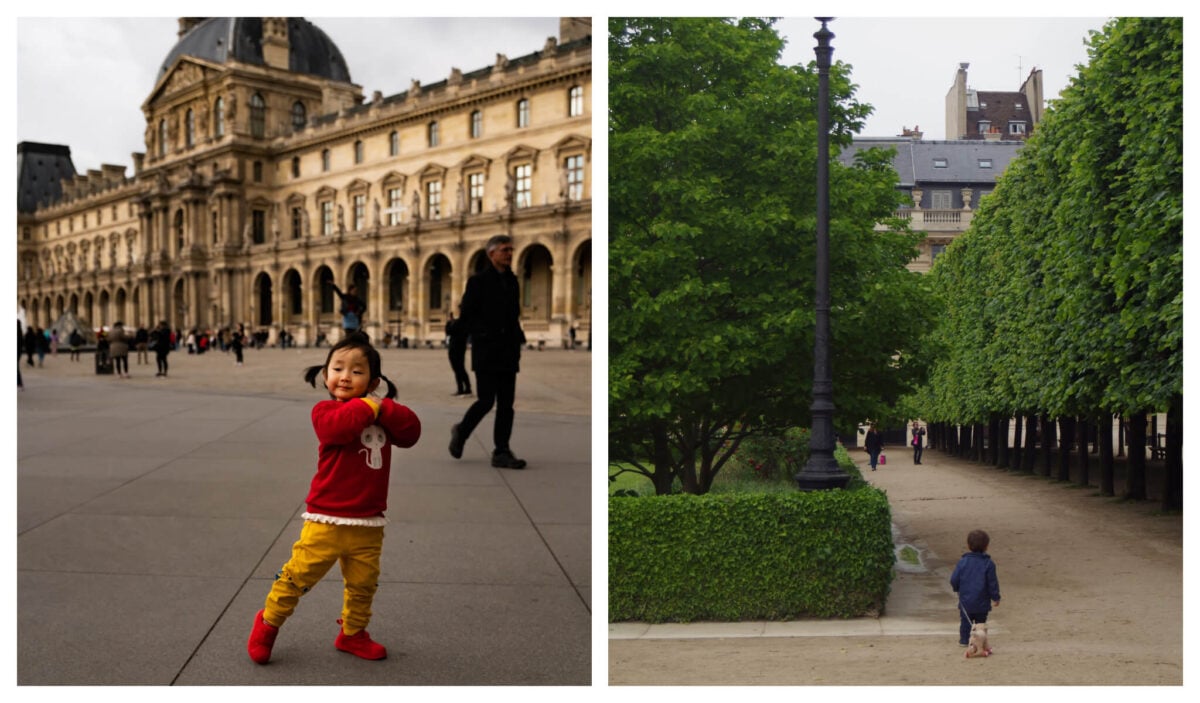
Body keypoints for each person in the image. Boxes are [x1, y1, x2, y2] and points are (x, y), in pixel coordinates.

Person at [246, 332, 421, 665]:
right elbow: (335, 430)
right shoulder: (325, 410)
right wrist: (368, 405)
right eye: (338, 368)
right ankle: (268, 623)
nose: (346, 376)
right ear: (325, 376)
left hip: (369, 521)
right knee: (297, 577)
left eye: (357, 371)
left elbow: (411, 432)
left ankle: (352, 634)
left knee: (363, 584)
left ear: (374, 381)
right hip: (326, 519)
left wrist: (381, 406)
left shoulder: (380, 412)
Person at [448, 235, 527, 469]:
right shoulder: (478, 282)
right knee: (485, 400)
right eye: (505, 250)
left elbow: (514, 316)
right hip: (487, 350)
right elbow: (468, 315)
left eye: (511, 250)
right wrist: (467, 334)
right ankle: (461, 431)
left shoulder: (512, 281)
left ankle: (501, 450)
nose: (510, 254)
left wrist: (517, 344)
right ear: (491, 253)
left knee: (506, 404)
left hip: (508, 350)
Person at [950, 529, 1001, 648]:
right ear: (986, 546)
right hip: (982, 600)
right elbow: (992, 583)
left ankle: (964, 639)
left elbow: (954, 579)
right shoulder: (988, 563)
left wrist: (957, 588)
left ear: (968, 545)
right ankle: (980, 640)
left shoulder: (963, 562)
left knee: (965, 622)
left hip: (966, 599)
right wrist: (995, 597)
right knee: (981, 622)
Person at [445, 309, 471, 396]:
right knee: (459, 369)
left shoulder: (460, 323)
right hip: (458, 348)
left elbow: (449, 331)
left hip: (456, 348)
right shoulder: (463, 322)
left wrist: (450, 322)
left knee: (458, 369)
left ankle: (463, 389)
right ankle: (465, 388)